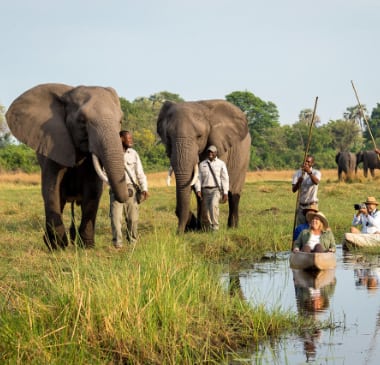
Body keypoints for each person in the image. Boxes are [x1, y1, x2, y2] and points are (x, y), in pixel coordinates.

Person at [109, 130, 148, 248]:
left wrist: (144, 188)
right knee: (116, 219)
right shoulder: (111, 153)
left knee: (133, 219)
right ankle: (118, 244)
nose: (131, 141)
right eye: (128, 138)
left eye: (131, 138)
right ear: (121, 139)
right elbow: (105, 172)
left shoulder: (133, 154)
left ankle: (133, 243)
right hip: (116, 188)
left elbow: (140, 172)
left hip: (131, 188)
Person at [194, 145, 229, 231]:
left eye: (212, 152)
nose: (210, 153)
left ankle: (215, 227)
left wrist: (225, 192)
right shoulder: (202, 164)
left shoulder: (221, 164)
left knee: (213, 206)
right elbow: (198, 178)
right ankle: (209, 227)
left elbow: (225, 178)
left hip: (216, 190)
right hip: (205, 190)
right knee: (205, 211)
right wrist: (198, 190)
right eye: (209, 151)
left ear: (216, 153)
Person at [292, 155, 321, 226]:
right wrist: (299, 182)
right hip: (301, 205)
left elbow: (316, 182)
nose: (306, 163)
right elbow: (293, 190)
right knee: (301, 228)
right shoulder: (297, 173)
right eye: (305, 161)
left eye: (308, 162)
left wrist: (309, 172)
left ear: (312, 163)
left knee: (312, 226)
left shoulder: (316, 172)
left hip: (311, 205)